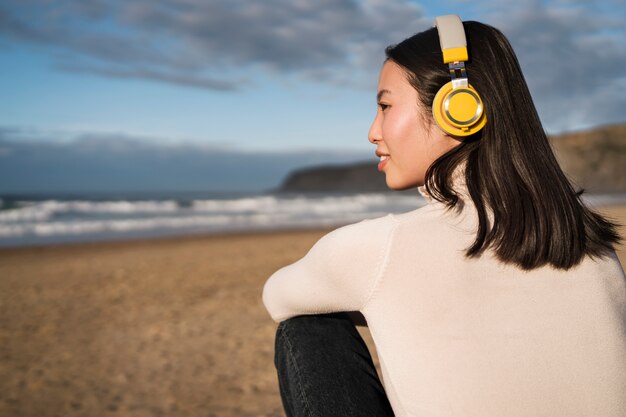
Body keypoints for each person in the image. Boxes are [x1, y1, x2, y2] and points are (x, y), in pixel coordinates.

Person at [262, 15, 626, 417]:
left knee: (306, 330)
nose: (372, 131)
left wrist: (380, 300)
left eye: (385, 106)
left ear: (458, 108)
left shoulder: (380, 248)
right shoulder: (590, 240)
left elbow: (277, 297)